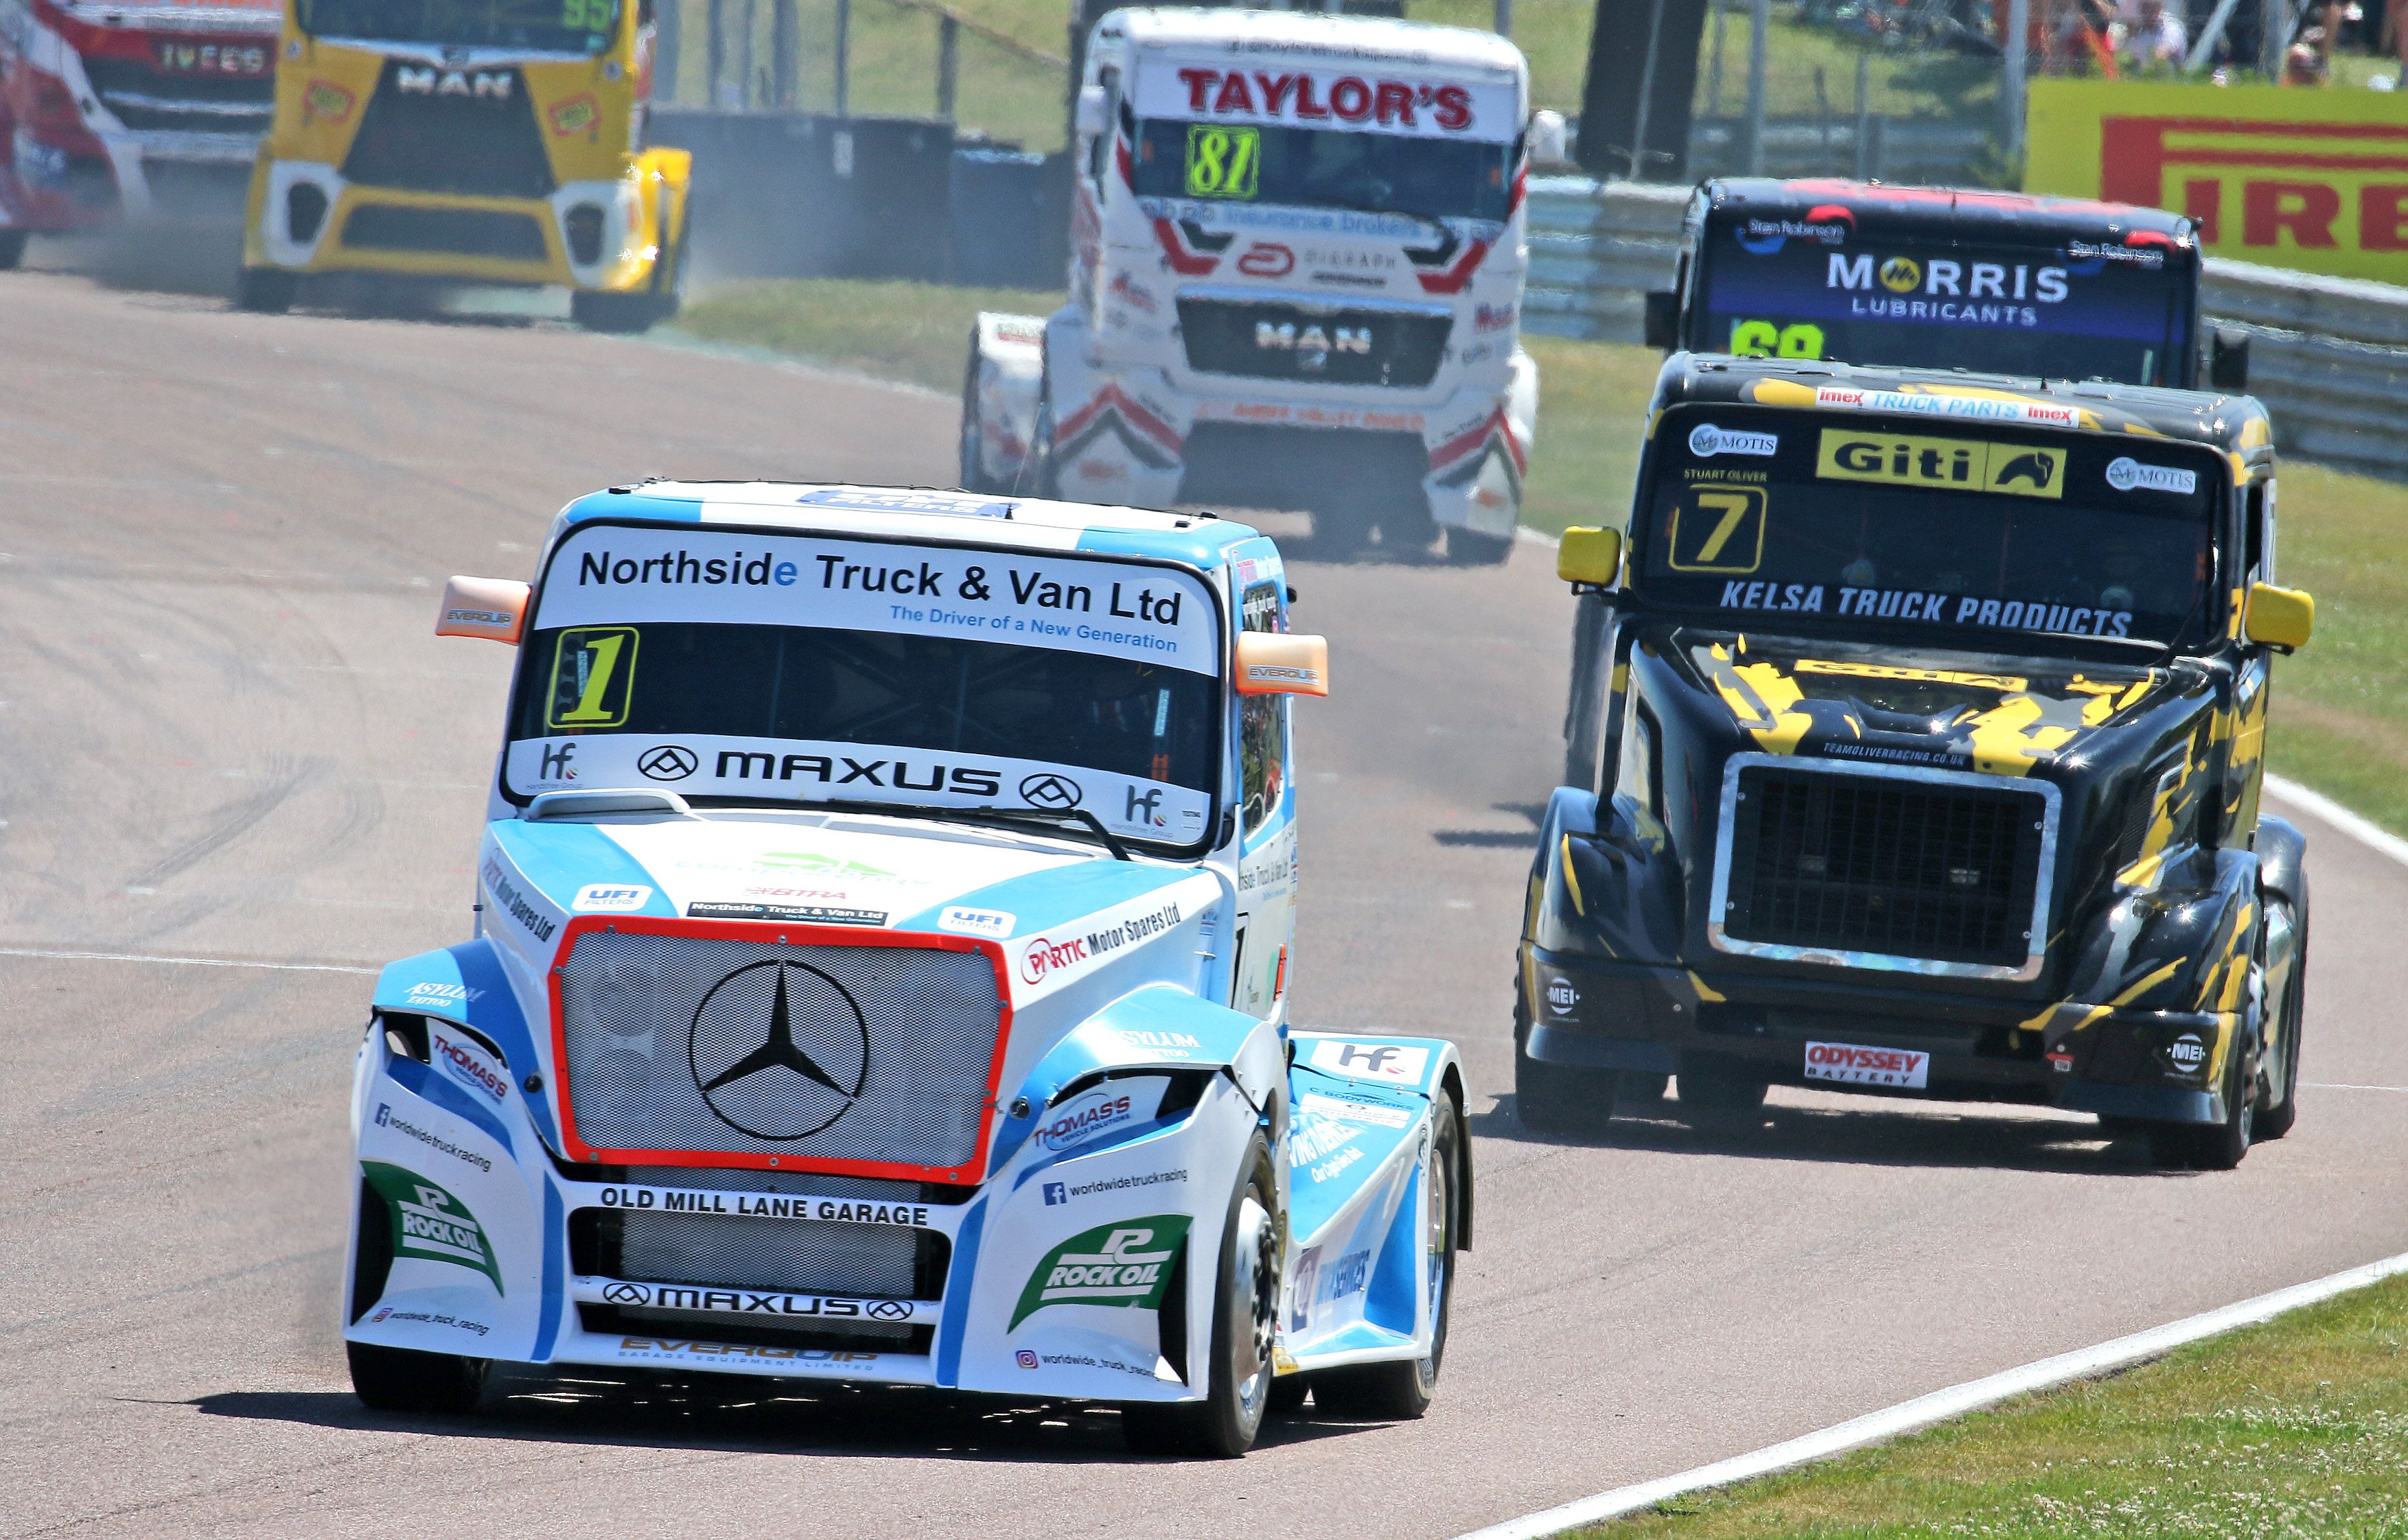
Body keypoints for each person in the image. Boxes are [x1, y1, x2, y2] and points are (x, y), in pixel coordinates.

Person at [2118, 0, 2189, 66]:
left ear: (2159, 8)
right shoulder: (2139, 32)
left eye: (2150, 7)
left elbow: (2162, 53)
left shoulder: (2171, 28)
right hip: (2140, 75)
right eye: (2144, 7)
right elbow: (2124, 53)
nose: (2146, 12)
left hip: (2165, 75)